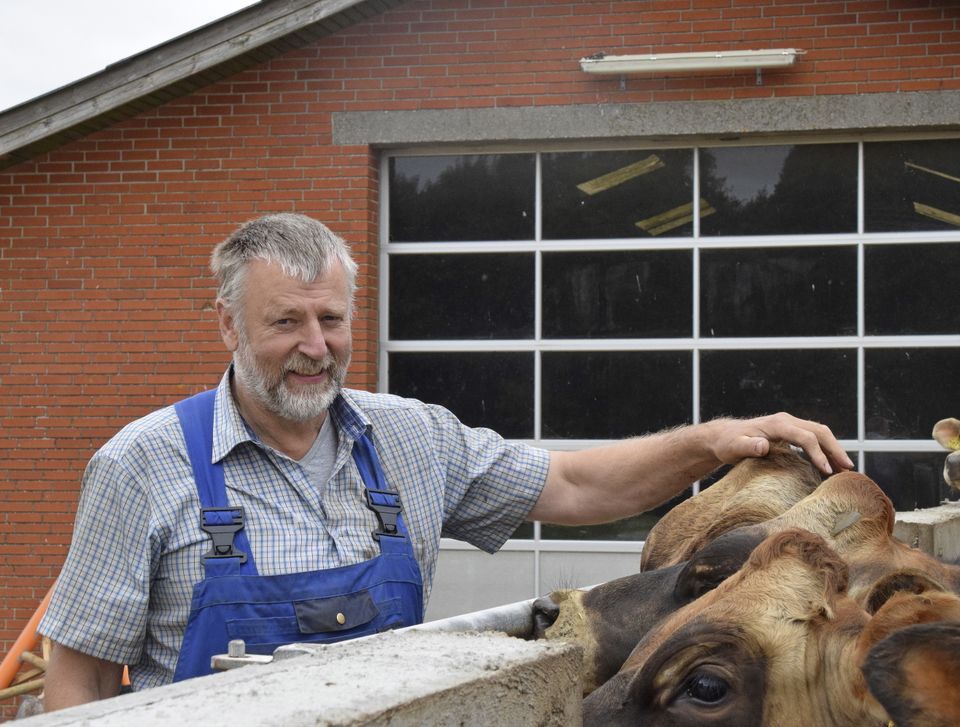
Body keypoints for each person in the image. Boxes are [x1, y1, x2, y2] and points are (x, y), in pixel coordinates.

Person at [39, 213, 853, 710]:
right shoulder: (143, 465)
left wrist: (714, 441)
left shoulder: (412, 438)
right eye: (286, 322)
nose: (316, 347)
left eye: (331, 319)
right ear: (228, 324)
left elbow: (574, 485)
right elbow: (76, 681)